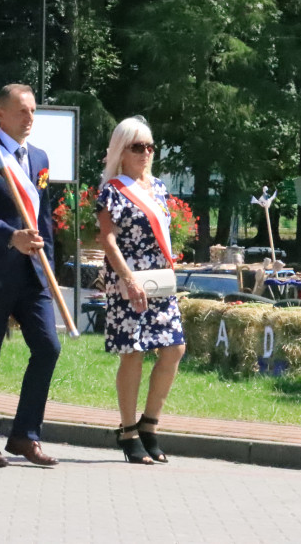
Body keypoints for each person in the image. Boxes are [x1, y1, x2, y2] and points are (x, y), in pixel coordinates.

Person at [0, 83, 61, 468]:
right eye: (22, 111)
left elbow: (44, 220)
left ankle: (24, 434)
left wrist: (49, 264)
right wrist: (10, 237)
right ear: (0, 113)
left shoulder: (39, 158)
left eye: (33, 111)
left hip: (32, 273)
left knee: (48, 347)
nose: (29, 118)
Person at [95, 116, 185, 465]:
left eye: (149, 146)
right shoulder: (112, 190)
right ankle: (128, 429)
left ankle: (150, 424)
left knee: (174, 348)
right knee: (133, 352)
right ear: (121, 151)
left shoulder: (159, 187)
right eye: (137, 147)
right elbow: (107, 239)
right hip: (127, 277)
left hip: (159, 277)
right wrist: (129, 279)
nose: (145, 153)